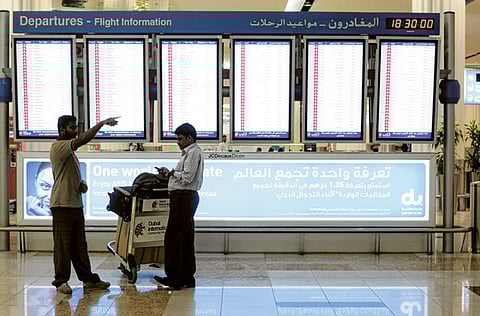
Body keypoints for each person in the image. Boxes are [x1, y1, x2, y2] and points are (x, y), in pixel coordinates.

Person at [49, 115, 118, 294]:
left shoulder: (69, 152)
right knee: (63, 245)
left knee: (79, 245)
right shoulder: (59, 146)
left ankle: (88, 279)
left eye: (76, 127)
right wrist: (101, 124)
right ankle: (60, 281)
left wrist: (80, 184)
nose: (75, 131)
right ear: (62, 129)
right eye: (72, 128)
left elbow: (66, 175)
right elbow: (83, 139)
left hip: (74, 204)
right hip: (62, 205)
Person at [154, 123, 204, 290]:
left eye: (180, 138)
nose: (178, 142)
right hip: (186, 198)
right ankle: (187, 277)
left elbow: (188, 177)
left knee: (173, 239)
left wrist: (171, 173)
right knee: (185, 239)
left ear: (190, 138)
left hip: (183, 198)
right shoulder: (190, 153)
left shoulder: (192, 153)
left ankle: (174, 278)